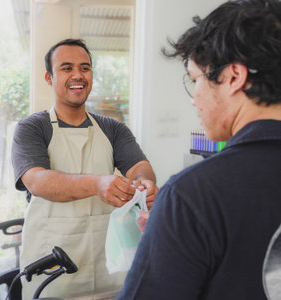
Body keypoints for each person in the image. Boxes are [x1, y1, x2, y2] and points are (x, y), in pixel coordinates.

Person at [117, 0, 281, 299]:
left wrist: (170, 231)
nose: (194, 99)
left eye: (195, 79)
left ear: (233, 76)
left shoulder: (192, 196)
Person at [12, 38, 157, 299]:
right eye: (66, 68)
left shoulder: (113, 128)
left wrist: (144, 183)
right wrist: (97, 184)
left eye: (85, 68)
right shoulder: (33, 128)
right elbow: (37, 180)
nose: (78, 75)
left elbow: (139, 167)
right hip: (53, 266)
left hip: (108, 265)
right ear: (49, 77)